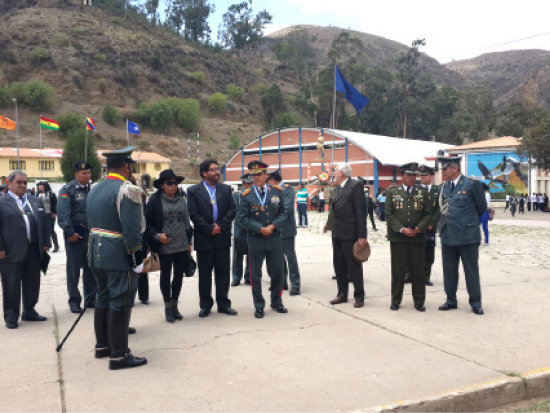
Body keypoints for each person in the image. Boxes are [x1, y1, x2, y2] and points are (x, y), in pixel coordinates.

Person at [87, 146, 147, 370]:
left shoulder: (94, 188)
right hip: (117, 253)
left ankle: (103, 346)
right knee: (120, 299)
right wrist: (136, 257)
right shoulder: (128, 190)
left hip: (96, 252)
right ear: (126, 166)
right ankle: (119, 355)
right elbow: (131, 230)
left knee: (102, 297)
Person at [236, 160, 288, 318]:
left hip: (274, 238)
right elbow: (242, 218)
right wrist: (260, 229)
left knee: (278, 271)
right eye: (253, 175)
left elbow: (285, 213)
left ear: (266, 175)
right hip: (255, 239)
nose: (255, 177)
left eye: (258, 174)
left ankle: (276, 301)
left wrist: (272, 227)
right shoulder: (246, 194)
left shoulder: (276, 191)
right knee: (255, 274)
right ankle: (259, 305)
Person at [0, 170, 50, 329]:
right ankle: (11, 316)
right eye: (19, 182)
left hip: (33, 249)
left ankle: (29, 311)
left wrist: (46, 242)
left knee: (32, 283)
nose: (22, 185)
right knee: (11, 285)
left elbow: (44, 223)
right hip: (11, 251)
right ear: (9, 184)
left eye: (25, 182)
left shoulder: (35, 201)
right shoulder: (2, 202)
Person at [187, 159, 237, 318]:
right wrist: (209, 228)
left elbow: (232, 210)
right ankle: (205, 305)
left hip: (222, 237)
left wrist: (220, 226)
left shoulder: (225, 189)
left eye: (218, 169)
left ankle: (223, 304)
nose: (217, 172)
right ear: (204, 173)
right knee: (205, 274)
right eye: (213, 170)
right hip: (204, 238)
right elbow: (193, 213)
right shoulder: (194, 191)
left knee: (223, 272)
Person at [437, 156, 486, 315]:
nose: (443, 171)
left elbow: (481, 207)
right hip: (448, 235)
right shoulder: (443, 187)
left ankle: (475, 302)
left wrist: (467, 222)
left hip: (467, 236)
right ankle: (450, 300)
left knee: (471, 271)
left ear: (455, 168)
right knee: (449, 270)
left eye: (445, 168)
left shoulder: (472, 184)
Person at [145, 169, 193, 323]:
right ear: (162, 185)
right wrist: (158, 236)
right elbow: (146, 224)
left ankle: (175, 305)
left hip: (181, 244)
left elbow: (186, 221)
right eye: (169, 183)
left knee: (179, 275)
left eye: (176, 183)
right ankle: (167, 307)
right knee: (166, 276)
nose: (173, 186)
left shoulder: (181, 200)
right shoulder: (154, 201)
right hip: (165, 243)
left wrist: (189, 242)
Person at [385, 163, 430, 311]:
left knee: (418, 271)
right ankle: (395, 300)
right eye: (409, 175)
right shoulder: (392, 192)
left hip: (417, 238)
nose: (412, 178)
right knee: (398, 271)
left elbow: (427, 214)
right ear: (402, 176)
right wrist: (402, 229)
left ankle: (419, 301)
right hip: (399, 238)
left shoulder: (422, 192)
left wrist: (419, 228)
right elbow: (389, 214)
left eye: (414, 175)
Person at [57, 161, 97, 314]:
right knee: (73, 271)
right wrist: (69, 233)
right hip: (76, 235)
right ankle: (74, 301)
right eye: (84, 173)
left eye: (88, 173)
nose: (87, 176)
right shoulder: (68, 190)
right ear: (76, 174)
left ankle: (91, 299)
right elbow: (63, 214)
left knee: (90, 268)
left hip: (91, 234)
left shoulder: (92, 190)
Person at [329, 163, 367, 308]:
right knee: (339, 265)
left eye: (336, 170)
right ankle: (342, 294)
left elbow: (360, 212)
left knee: (353, 266)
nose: (334, 172)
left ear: (342, 173)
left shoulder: (355, 185)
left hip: (350, 234)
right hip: (337, 233)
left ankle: (359, 296)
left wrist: (362, 235)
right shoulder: (338, 188)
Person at [268, 170, 301, 295]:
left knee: (290, 257)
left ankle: (296, 284)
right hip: (276, 230)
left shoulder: (287, 189)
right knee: (279, 258)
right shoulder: (272, 190)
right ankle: (282, 283)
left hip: (286, 229)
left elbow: (286, 208)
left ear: (272, 179)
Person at [419, 164, 440, 286]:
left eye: (425, 175)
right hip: (418, 227)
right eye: (421, 175)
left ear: (431, 176)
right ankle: (409, 275)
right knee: (415, 252)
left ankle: (426, 276)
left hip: (431, 228)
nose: (422, 177)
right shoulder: (416, 189)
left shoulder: (437, 190)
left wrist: (432, 223)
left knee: (429, 253)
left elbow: (439, 209)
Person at [231, 174, 252, 287]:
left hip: (252, 229)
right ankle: (236, 277)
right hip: (240, 229)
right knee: (237, 255)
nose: (249, 186)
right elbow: (235, 213)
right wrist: (244, 224)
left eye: (251, 183)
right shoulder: (237, 196)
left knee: (251, 254)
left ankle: (248, 277)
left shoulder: (254, 195)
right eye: (248, 183)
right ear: (243, 184)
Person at [37, 181, 60, 253]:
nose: (39, 187)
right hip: (41, 214)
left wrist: (55, 212)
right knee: (43, 230)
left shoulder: (51, 194)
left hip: (50, 214)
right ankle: (46, 245)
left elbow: (55, 204)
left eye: (41, 186)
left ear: (44, 186)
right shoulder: (38, 194)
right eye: (39, 186)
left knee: (51, 230)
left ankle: (56, 245)